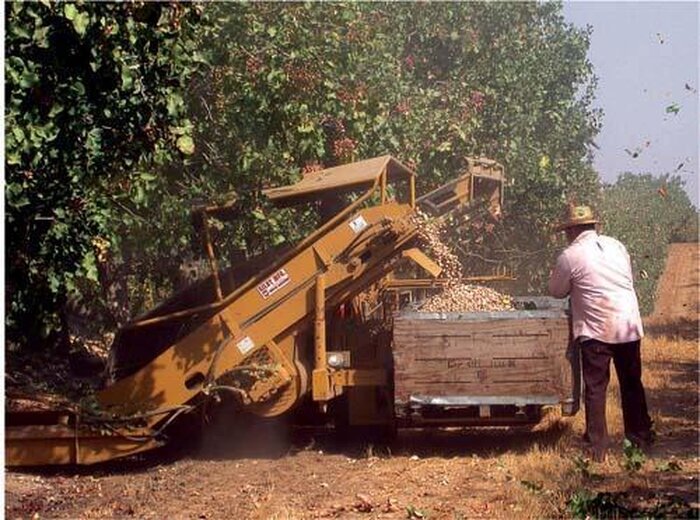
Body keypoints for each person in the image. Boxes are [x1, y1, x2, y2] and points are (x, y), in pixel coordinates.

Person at [548, 204, 654, 462]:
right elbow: (626, 278)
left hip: (596, 329)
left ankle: (597, 448)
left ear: (572, 230)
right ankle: (638, 438)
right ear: (593, 226)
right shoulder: (616, 246)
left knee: (596, 388)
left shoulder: (570, 256)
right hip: (628, 323)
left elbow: (556, 291)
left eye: (566, 230)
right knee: (632, 383)